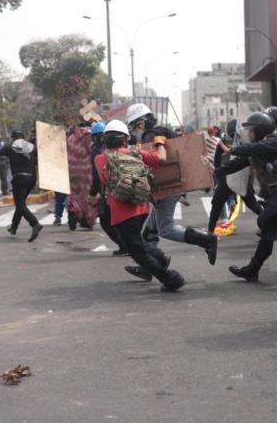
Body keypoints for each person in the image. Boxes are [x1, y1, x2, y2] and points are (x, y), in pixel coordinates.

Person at [94, 119, 185, 292]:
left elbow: (103, 182)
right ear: (126, 139)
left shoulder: (99, 159)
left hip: (122, 213)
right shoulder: (137, 153)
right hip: (142, 207)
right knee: (138, 243)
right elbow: (161, 158)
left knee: (138, 253)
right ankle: (161, 258)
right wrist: (159, 141)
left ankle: (171, 279)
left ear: (105, 140)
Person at [128, 103, 219, 267]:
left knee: (166, 229)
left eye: (133, 127)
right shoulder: (163, 130)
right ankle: (152, 266)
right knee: (150, 232)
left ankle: (207, 240)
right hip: (175, 183)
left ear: (140, 123)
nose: (134, 132)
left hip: (166, 187)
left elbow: (153, 163)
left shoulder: (149, 136)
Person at [215, 111, 277, 282]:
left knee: (266, 222)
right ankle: (253, 269)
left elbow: (253, 148)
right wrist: (214, 172)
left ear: (261, 130)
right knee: (268, 230)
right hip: (274, 196)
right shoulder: (258, 147)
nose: (248, 134)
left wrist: (233, 149)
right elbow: (236, 164)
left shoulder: (276, 142)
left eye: (251, 130)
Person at [0, 130, 43, 242]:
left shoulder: (9, 147)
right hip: (32, 179)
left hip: (19, 179)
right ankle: (13, 227)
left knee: (20, 204)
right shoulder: (32, 147)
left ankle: (35, 224)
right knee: (21, 204)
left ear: (13, 138)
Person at [206, 119, 263, 233]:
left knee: (217, 203)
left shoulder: (225, 142)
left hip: (228, 176)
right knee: (251, 203)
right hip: (241, 175)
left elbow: (218, 162)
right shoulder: (246, 142)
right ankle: (268, 222)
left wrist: (217, 173)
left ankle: (210, 231)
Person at [89, 121, 127, 255]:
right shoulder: (114, 146)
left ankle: (125, 246)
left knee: (105, 220)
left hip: (107, 190)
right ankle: (127, 245)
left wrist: (93, 192)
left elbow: (96, 174)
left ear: (94, 137)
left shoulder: (95, 151)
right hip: (122, 186)